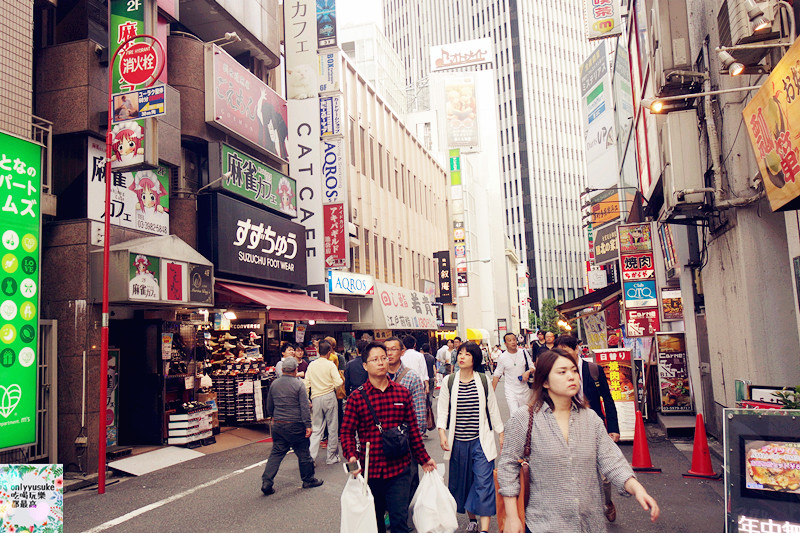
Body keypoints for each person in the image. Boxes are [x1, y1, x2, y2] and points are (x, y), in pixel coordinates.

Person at [496, 350, 659, 533]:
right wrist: (512, 516)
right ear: (545, 382)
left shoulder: (590, 419)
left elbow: (612, 461)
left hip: (590, 525)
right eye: (562, 372)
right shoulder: (524, 418)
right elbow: (508, 466)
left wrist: (637, 489)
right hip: (543, 524)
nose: (571, 376)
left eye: (574, 370)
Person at [341, 342, 436, 533]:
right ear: (365, 365)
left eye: (383, 358)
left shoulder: (402, 393)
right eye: (375, 359)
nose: (381, 362)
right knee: (375, 522)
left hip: (399, 469)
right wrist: (351, 457)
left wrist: (424, 459)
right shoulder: (356, 398)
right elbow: (347, 433)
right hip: (370, 471)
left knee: (399, 521)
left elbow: (413, 432)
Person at [437, 342, 504, 533]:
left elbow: (492, 408)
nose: (462, 357)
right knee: (465, 483)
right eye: (460, 353)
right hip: (458, 442)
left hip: (481, 442)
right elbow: (443, 410)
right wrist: (441, 433)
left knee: (484, 482)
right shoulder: (449, 381)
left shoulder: (483, 380)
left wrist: (501, 433)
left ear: (475, 359)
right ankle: (472, 519)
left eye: (467, 354)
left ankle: (484, 529)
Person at [554, 335, 620, 522]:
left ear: (577, 349)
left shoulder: (593, 370)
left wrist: (613, 428)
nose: (564, 356)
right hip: (569, 427)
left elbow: (607, 400)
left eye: (567, 351)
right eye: (560, 352)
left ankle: (607, 501)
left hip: (595, 426)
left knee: (604, 473)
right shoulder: (556, 373)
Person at [260, 357, 323, 495]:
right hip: (295, 424)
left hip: (279, 424)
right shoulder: (298, 384)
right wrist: (308, 425)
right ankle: (308, 479)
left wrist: (273, 416)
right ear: (295, 370)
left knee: (276, 453)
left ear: (282, 370)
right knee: (303, 453)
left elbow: (269, 405)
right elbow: (304, 407)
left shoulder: (274, 384)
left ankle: (267, 481)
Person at [385, 336, 427, 502]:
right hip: (383, 441)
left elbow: (420, 413)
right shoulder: (378, 376)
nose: (389, 353)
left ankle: (405, 511)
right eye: (386, 350)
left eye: (393, 349)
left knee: (408, 481)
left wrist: (413, 440)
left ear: (402, 352)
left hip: (406, 441)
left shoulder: (412, 377)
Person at [304, 340, 343, 464]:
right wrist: (332, 387)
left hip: (316, 397)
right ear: (329, 352)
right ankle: (331, 457)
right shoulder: (330, 365)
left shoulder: (311, 365)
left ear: (317, 351)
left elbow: (306, 384)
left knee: (316, 429)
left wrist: (307, 398)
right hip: (329, 396)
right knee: (332, 427)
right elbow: (339, 382)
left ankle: (311, 458)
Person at [492, 332, 534, 413]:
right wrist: (491, 392)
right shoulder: (503, 357)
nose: (513, 342)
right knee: (514, 414)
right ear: (505, 344)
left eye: (514, 340)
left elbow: (532, 367)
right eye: (509, 340)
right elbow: (497, 375)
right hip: (511, 391)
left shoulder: (524, 352)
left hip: (525, 390)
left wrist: (528, 372)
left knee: (526, 414)